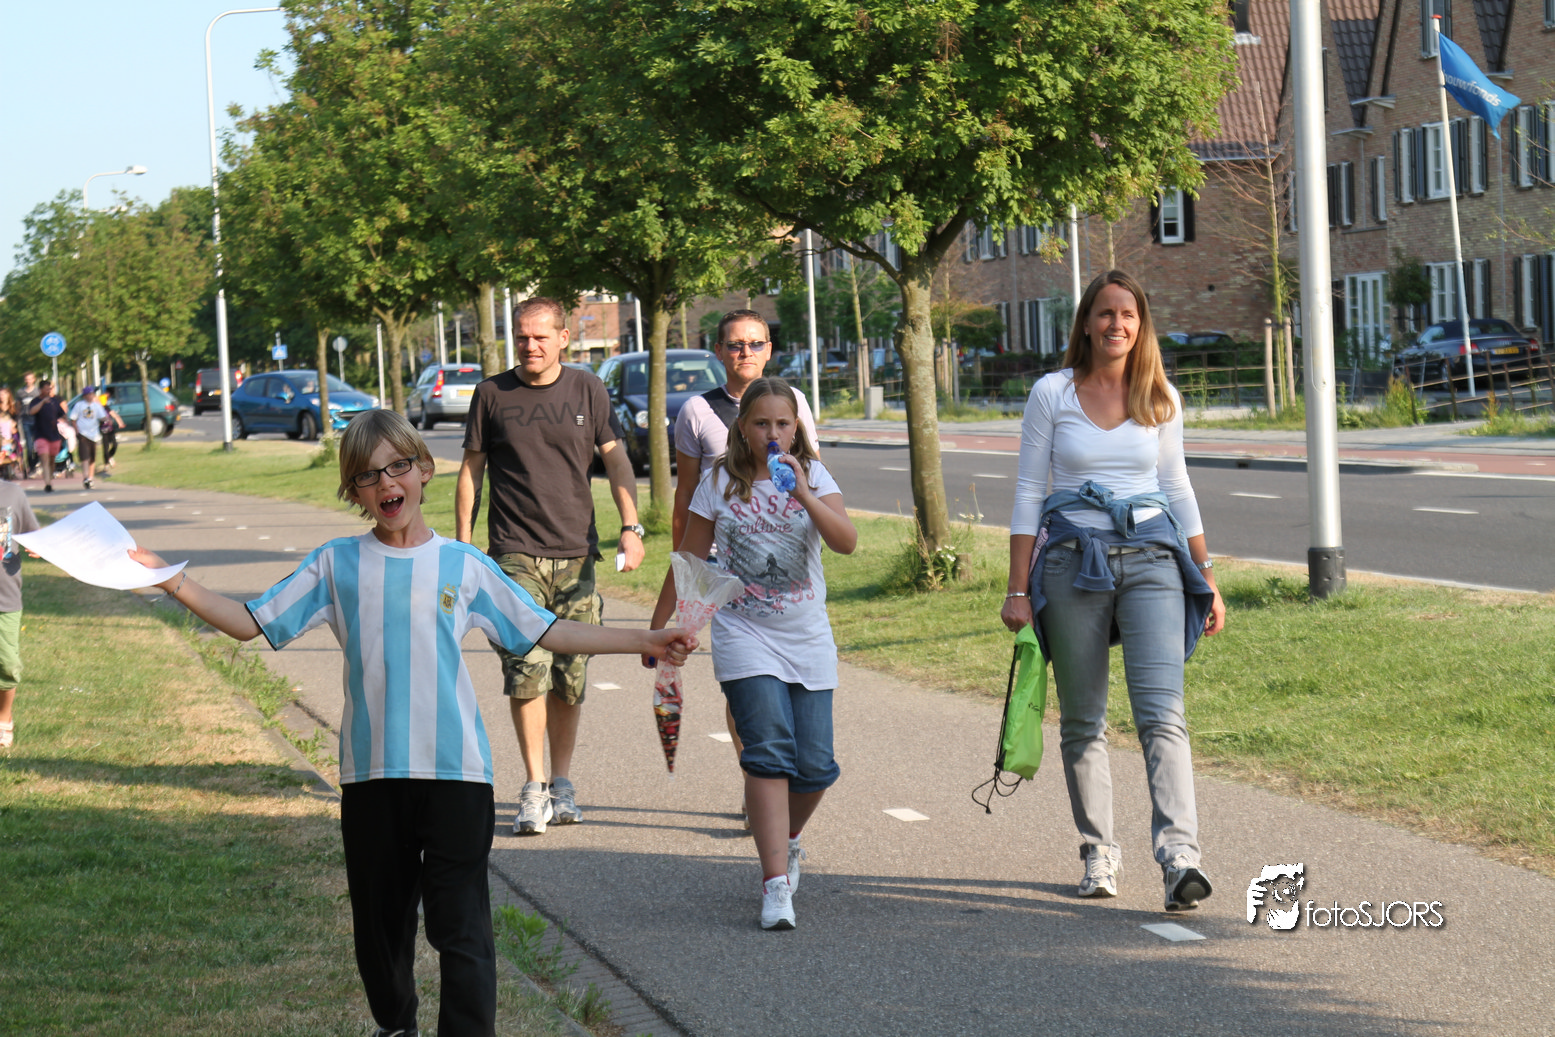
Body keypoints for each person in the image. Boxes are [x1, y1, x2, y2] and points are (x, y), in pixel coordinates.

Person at [128, 409, 695, 1037]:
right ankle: (395, 1025)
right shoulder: (335, 564)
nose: (386, 483)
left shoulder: (463, 564)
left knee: (462, 928)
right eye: (368, 476)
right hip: (372, 777)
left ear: (424, 470)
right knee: (380, 929)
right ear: (353, 492)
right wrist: (171, 581)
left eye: (398, 466)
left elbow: (548, 631)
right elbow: (249, 621)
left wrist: (647, 637)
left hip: (457, 775)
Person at [1001, 269, 1226, 913]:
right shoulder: (1052, 393)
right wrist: (1017, 588)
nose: (1116, 325)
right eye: (1105, 313)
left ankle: (1180, 858)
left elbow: (1177, 487)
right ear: (1086, 322)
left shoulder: (1160, 396)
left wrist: (1206, 575)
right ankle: (1099, 850)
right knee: (1083, 718)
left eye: (1128, 314)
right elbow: (1029, 490)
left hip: (1153, 560)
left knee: (1163, 714)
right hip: (1071, 563)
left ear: (1141, 324)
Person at [652, 377, 856, 930]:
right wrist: (661, 627)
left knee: (816, 766)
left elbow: (846, 541)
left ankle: (786, 839)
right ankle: (774, 886)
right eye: (761, 423)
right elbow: (690, 560)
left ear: (796, 427)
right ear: (742, 427)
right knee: (768, 752)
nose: (772, 433)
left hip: (806, 635)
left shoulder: (813, 475)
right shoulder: (720, 481)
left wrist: (803, 494)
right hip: (744, 634)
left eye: (782, 424)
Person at [455, 296, 646, 837]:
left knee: (569, 675)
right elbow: (471, 472)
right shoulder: (491, 394)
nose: (530, 345)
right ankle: (534, 785)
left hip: (576, 554)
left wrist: (631, 527)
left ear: (564, 337)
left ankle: (562, 783)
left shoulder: (588, 388)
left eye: (541, 336)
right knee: (526, 668)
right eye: (522, 336)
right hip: (513, 552)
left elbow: (616, 460)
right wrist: (463, 549)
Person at [652, 309, 820, 824]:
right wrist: (682, 585)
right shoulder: (697, 411)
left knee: (795, 709)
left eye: (755, 343)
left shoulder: (794, 401)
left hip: (785, 567)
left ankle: (768, 782)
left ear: (769, 349)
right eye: (735, 344)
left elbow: (812, 473)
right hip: (724, 561)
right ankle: (758, 778)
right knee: (746, 682)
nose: (745, 352)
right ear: (719, 351)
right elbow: (687, 497)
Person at [0, 476, 41, 749]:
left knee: (7, 665)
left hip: (5, 597)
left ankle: (4, 718)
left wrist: (37, 545)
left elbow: (33, 535)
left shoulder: (12, 493)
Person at [27, 380, 67, 493]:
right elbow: (32, 412)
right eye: (46, 389)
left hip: (53, 434)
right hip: (40, 435)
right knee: (44, 459)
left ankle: (49, 478)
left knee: (51, 460)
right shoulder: (35, 401)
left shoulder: (54, 401)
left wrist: (66, 421)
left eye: (49, 388)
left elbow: (62, 413)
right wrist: (42, 402)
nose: (48, 391)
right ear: (40, 390)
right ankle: (48, 484)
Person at [68, 386, 109, 490]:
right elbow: (73, 419)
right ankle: (86, 477)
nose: (91, 396)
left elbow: (103, 417)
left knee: (92, 457)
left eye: (92, 394)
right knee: (84, 456)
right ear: (85, 396)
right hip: (83, 434)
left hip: (94, 435)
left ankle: (90, 478)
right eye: (89, 394)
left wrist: (107, 419)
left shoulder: (96, 406)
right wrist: (77, 431)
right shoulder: (79, 405)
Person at [0, 387, 24, 480]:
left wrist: (13, 425)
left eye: (3, 394)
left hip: (11, 433)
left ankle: (14, 464)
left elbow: (16, 420)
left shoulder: (13, 408)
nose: (1, 396)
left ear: (8, 395)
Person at [98, 387, 124, 473]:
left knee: (115, 445)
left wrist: (120, 423)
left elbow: (115, 415)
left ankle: (109, 456)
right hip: (103, 431)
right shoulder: (97, 410)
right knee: (105, 447)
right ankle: (106, 465)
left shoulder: (107, 408)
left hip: (111, 429)